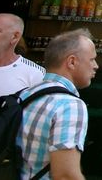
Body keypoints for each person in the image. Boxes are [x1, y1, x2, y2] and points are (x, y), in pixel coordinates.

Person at [15, 28, 97, 180]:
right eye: (92, 59)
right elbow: (65, 175)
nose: (96, 66)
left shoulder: (25, 94)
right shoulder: (70, 105)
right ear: (72, 62)